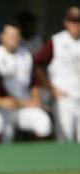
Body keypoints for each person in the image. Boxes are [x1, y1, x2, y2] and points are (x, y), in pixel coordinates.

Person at [0, 23, 52, 142]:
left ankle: (41, 158)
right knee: (5, 136)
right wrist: (24, 103)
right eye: (11, 35)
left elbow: (34, 80)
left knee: (43, 122)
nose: (15, 38)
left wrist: (36, 98)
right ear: (2, 37)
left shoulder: (25, 54)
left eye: (17, 35)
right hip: (4, 107)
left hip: (25, 104)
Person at [33, 6, 80, 143]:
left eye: (78, 21)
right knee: (64, 138)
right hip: (65, 97)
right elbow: (37, 63)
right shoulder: (56, 41)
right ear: (66, 22)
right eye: (72, 21)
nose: (75, 25)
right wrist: (50, 88)